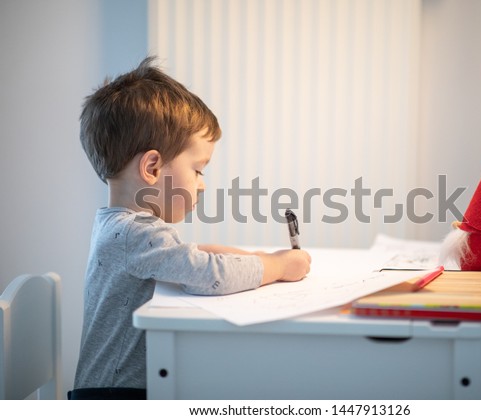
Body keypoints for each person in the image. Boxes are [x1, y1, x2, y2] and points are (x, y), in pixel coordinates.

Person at [70, 57, 311, 399]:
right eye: (198, 169)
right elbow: (209, 274)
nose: (201, 184)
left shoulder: (120, 225)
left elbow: (188, 257)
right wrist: (278, 266)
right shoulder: (136, 233)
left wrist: (255, 256)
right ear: (152, 167)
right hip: (117, 396)